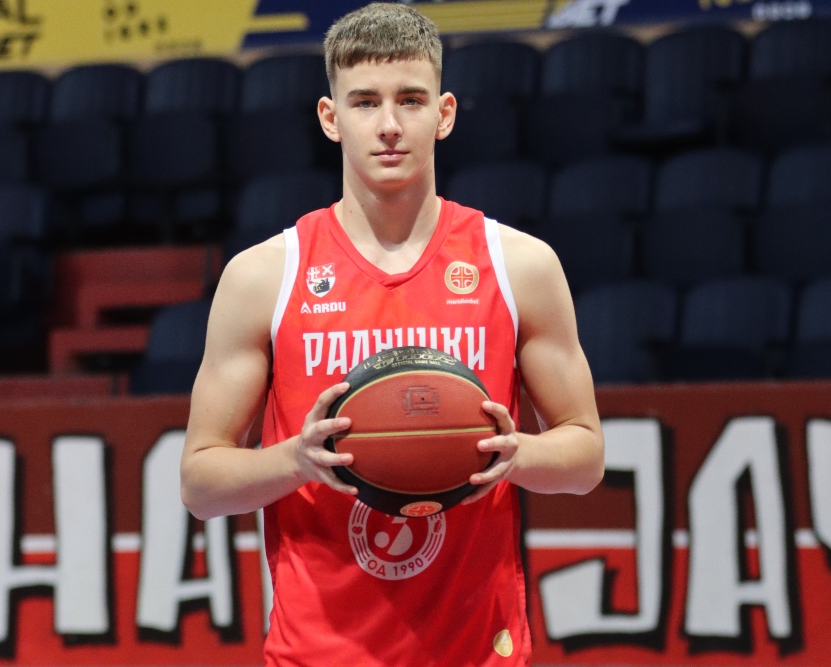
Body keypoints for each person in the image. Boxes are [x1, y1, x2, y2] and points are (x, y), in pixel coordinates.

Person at [180, 3, 604, 665]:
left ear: (445, 113)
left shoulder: (518, 265)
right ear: (331, 118)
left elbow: (586, 457)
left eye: (410, 99)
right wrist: (294, 460)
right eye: (364, 102)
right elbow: (201, 484)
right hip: (319, 652)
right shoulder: (264, 277)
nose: (388, 125)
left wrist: (514, 454)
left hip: (477, 649)